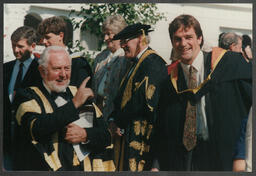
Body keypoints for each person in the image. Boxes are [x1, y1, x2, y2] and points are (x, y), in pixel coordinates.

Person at [152, 14, 252, 171]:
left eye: (188, 37)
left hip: (224, 156)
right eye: (177, 39)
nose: (183, 44)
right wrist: (156, 164)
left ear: (199, 38)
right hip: (183, 159)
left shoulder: (231, 64)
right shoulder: (168, 81)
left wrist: (244, 152)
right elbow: (162, 128)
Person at [12, 46, 113, 171]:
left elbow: (106, 135)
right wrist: (74, 104)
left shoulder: (78, 93)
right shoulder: (26, 95)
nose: (63, 75)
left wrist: (86, 135)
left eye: (67, 68)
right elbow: (36, 128)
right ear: (42, 71)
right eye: (57, 69)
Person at [110, 23, 168, 171]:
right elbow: (121, 97)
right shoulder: (135, 63)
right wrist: (112, 119)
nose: (122, 45)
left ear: (140, 38)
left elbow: (141, 100)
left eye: (125, 41)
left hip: (142, 136)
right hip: (127, 133)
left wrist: (119, 121)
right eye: (121, 42)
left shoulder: (153, 62)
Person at [3, 26, 41, 170]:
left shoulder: (40, 71)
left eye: (20, 46)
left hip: (27, 140)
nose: (15, 50)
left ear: (32, 46)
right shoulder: (5, 68)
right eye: (13, 46)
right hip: (6, 137)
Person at [92, 15, 130, 121]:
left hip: (114, 116)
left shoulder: (126, 58)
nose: (105, 38)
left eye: (109, 34)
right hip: (96, 112)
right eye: (104, 34)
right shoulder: (100, 58)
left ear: (119, 34)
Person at [37, 16, 92, 87]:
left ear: (60, 36)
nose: (44, 41)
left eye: (47, 37)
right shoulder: (43, 62)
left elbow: (82, 92)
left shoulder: (78, 63)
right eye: (42, 38)